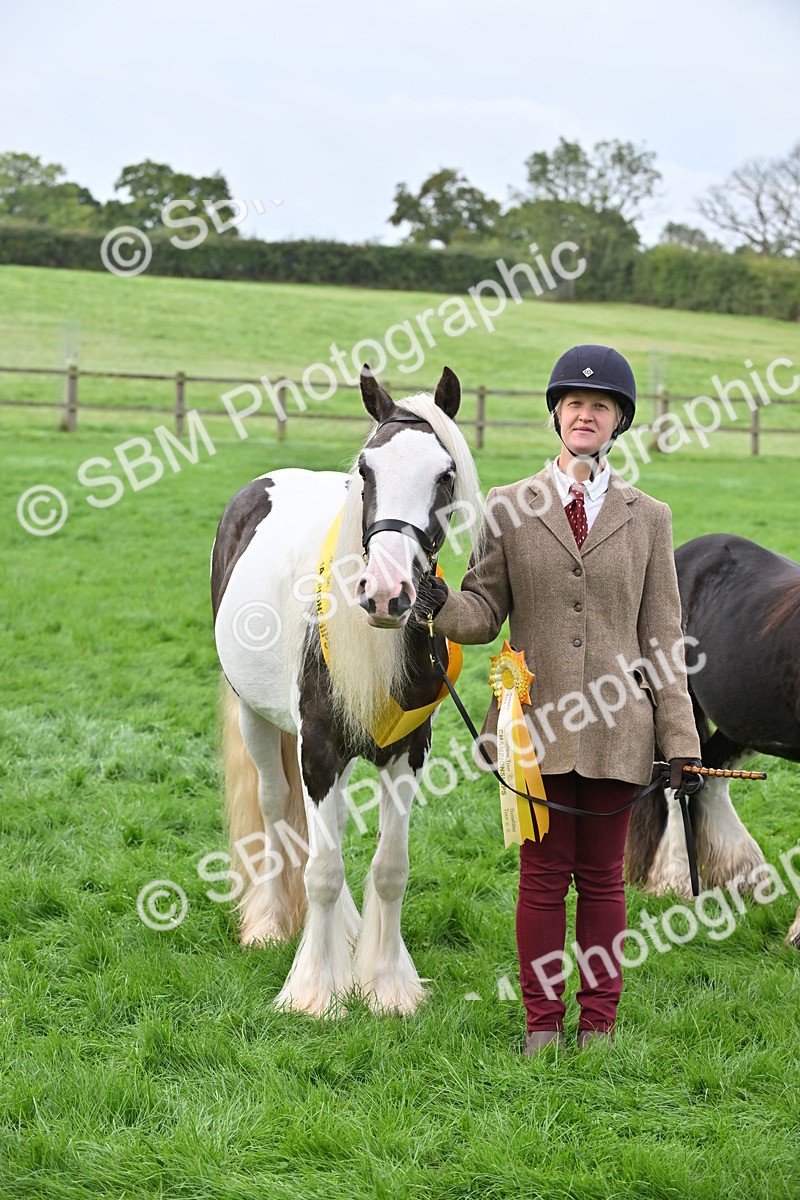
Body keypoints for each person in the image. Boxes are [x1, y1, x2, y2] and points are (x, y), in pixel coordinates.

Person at [416, 344, 703, 1054]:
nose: (585, 414)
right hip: (533, 729)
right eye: (573, 403)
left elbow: (664, 635)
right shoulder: (510, 508)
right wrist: (438, 602)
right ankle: (543, 1027)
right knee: (542, 882)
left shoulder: (650, 517)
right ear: (556, 416)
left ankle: (598, 1025)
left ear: (618, 423)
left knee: (605, 881)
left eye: (599, 406)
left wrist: (683, 742)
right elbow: (483, 612)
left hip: (617, 728)